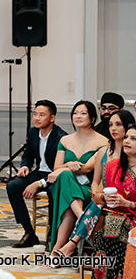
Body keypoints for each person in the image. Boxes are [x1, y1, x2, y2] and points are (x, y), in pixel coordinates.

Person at [53, 109, 135, 258]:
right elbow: (96, 180)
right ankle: (72, 241)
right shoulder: (104, 152)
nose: (113, 128)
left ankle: (71, 243)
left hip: (122, 201)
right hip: (102, 198)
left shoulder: (130, 155)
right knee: (94, 199)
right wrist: (97, 195)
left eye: (118, 124)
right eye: (111, 124)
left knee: (98, 205)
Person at [47, 100, 108, 253]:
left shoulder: (103, 141)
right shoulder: (65, 140)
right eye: (75, 113)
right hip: (68, 185)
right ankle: (82, 218)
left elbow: (87, 168)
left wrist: (65, 168)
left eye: (83, 113)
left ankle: (57, 248)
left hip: (88, 187)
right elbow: (56, 167)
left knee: (66, 193)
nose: (78, 116)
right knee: (66, 176)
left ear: (93, 118)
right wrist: (69, 165)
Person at [6, 100, 67, 248]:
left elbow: (60, 169)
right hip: (39, 172)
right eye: (35, 114)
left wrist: (39, 184)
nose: (36, 118)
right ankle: (29, 232)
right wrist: (25, 166)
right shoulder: (33, 132)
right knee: (13, 186)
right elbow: (28, 155)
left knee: (54, 192)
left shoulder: (61, 137)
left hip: (56, 175)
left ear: (52, 118)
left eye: (41, 115)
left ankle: (52, 235)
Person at [87, 124, 136, 279]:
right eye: (127, 137)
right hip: (113, 216)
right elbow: (96, 198)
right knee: (108, 231)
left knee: (116, 233)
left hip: (133, 220)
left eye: (133, 138)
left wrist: (128, 202)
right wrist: (106, 198)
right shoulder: (113, 167)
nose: (127, 141)